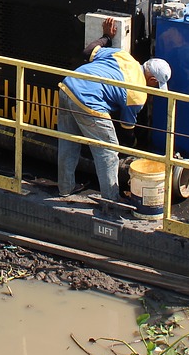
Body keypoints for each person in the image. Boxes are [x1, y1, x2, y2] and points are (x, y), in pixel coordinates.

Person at [56, 16, 172, 219]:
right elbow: (127, 128)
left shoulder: (124, 56)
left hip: (68, 86)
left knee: (69, 142)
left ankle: (65, 188)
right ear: (152, 79)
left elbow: (88, 52)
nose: (154, 88)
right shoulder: (138, 95)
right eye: (156, 85)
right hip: (89, 101)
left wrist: (106, 37)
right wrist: (133, 146)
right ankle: (111, 199)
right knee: (108, 152)